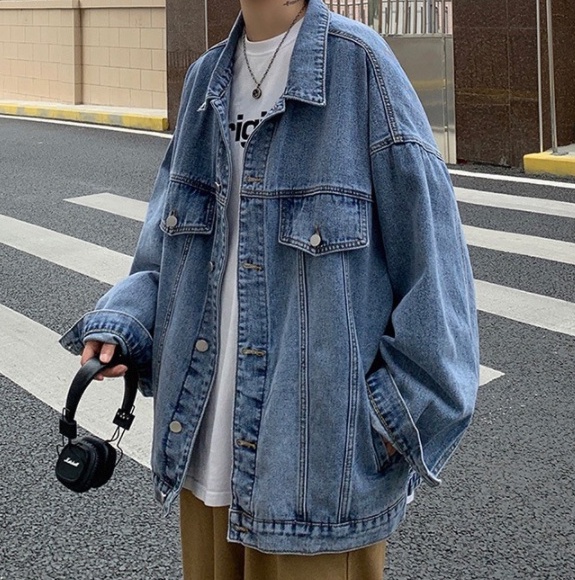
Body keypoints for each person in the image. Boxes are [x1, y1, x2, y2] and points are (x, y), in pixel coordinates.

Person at [60, 0, 480, 578]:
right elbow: (166, 255)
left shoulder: (361, 68)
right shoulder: (205, 80)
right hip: (202, 458)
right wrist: (124, 327)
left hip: (316, 479)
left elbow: (439, 284)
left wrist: (378, 429)